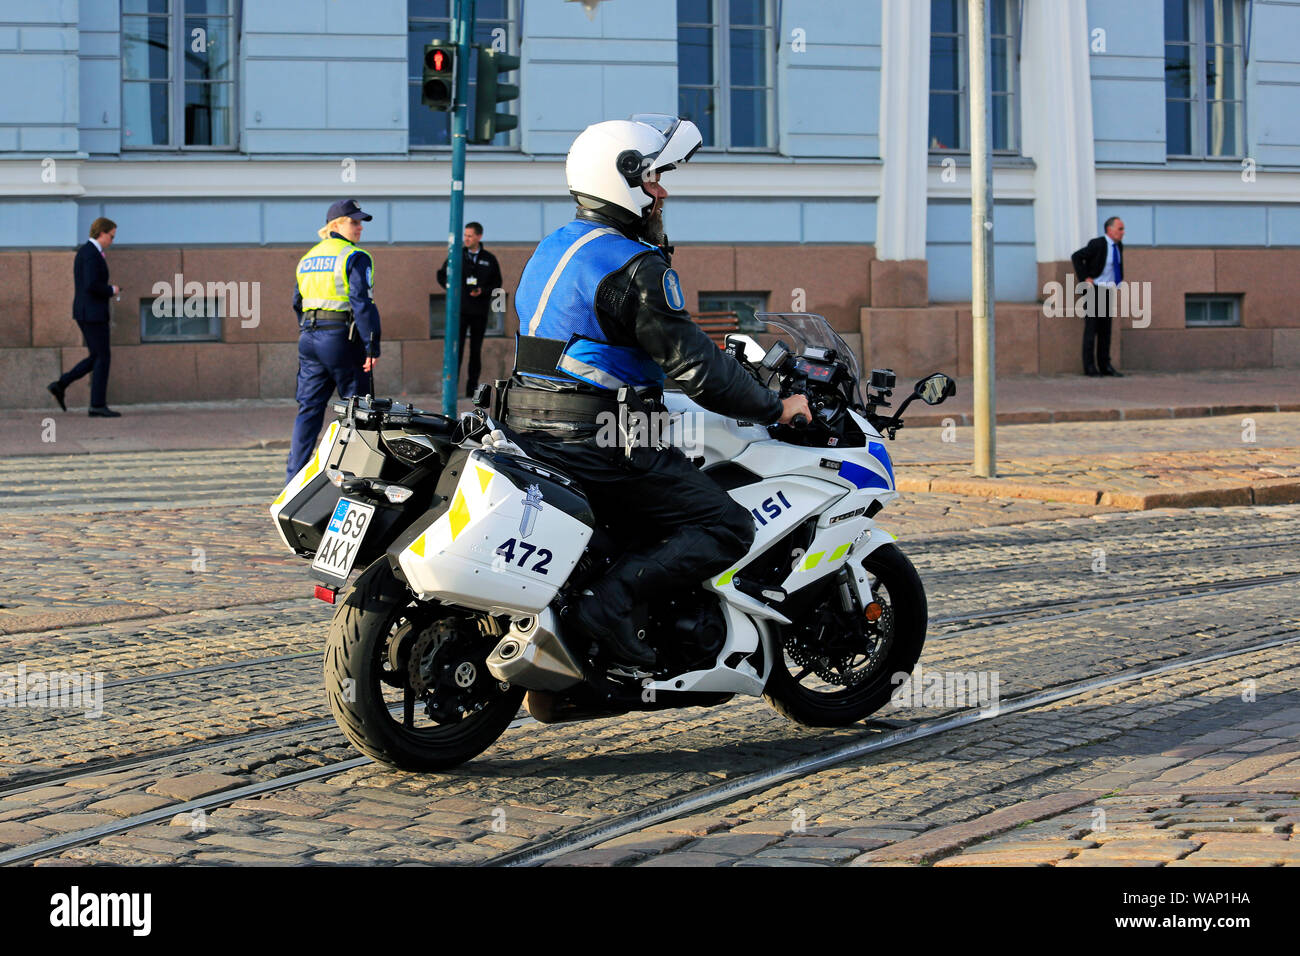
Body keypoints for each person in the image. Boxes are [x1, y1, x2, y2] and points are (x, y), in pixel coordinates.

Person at [500, 115, 811, 668]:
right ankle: (609, 603)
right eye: (653, 179)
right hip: (601, 438)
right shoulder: (635, 266)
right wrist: (775, 405)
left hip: (526, 423)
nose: (661, 192)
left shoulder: (554, 247)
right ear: (623, 180)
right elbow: (697, 369)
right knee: (726, 523)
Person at [285, 199, 382, 482]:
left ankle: (293, 479)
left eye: (360, 222)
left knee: (309, 408)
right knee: (358, 409)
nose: (360, 228)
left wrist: (309, 331)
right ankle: (356, 478)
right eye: (354, 222)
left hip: (309, 337)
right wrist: (371, 345)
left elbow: (296, 302)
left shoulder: (308, 258)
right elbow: (361, 302)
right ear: (336, 225)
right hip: (341, 338)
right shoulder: (354, 256)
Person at [48, 218, 121, 417]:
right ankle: (96, 405)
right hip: (92, 313)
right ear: (102, 232)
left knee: (96, 357)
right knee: (102, 357)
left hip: (89, 312)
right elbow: (91, 284)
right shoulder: (90, 253)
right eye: (111, 236)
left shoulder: (89, 252)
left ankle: (61, 385)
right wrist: (111, 290)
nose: (112, 241)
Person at [437, 221, 503, 398]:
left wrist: (483, 291)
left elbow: (497, 283)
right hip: (460, 311)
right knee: (456, 350)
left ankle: (471, 389)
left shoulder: (489, 259)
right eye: (465, 235)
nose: (466, 239)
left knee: (475, 351)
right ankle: (452, 388)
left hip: (479, 312)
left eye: (469, 235)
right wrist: (453, 291)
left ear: (479, 237)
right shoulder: (456, 256)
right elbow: (442, 275)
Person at [1071, 216, 1126, 377]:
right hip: (1094, 290)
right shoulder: (1098, 244)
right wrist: (1085, 278)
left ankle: (1105, 365)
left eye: (1122, 229)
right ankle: (1089, 367)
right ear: (1110, 230)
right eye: (1120, 229)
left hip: (1107, 290)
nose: (1123, 232)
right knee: (1091, 329)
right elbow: (1076, 256)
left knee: (1105, 331)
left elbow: (1116, 265)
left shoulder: (1118, 246)